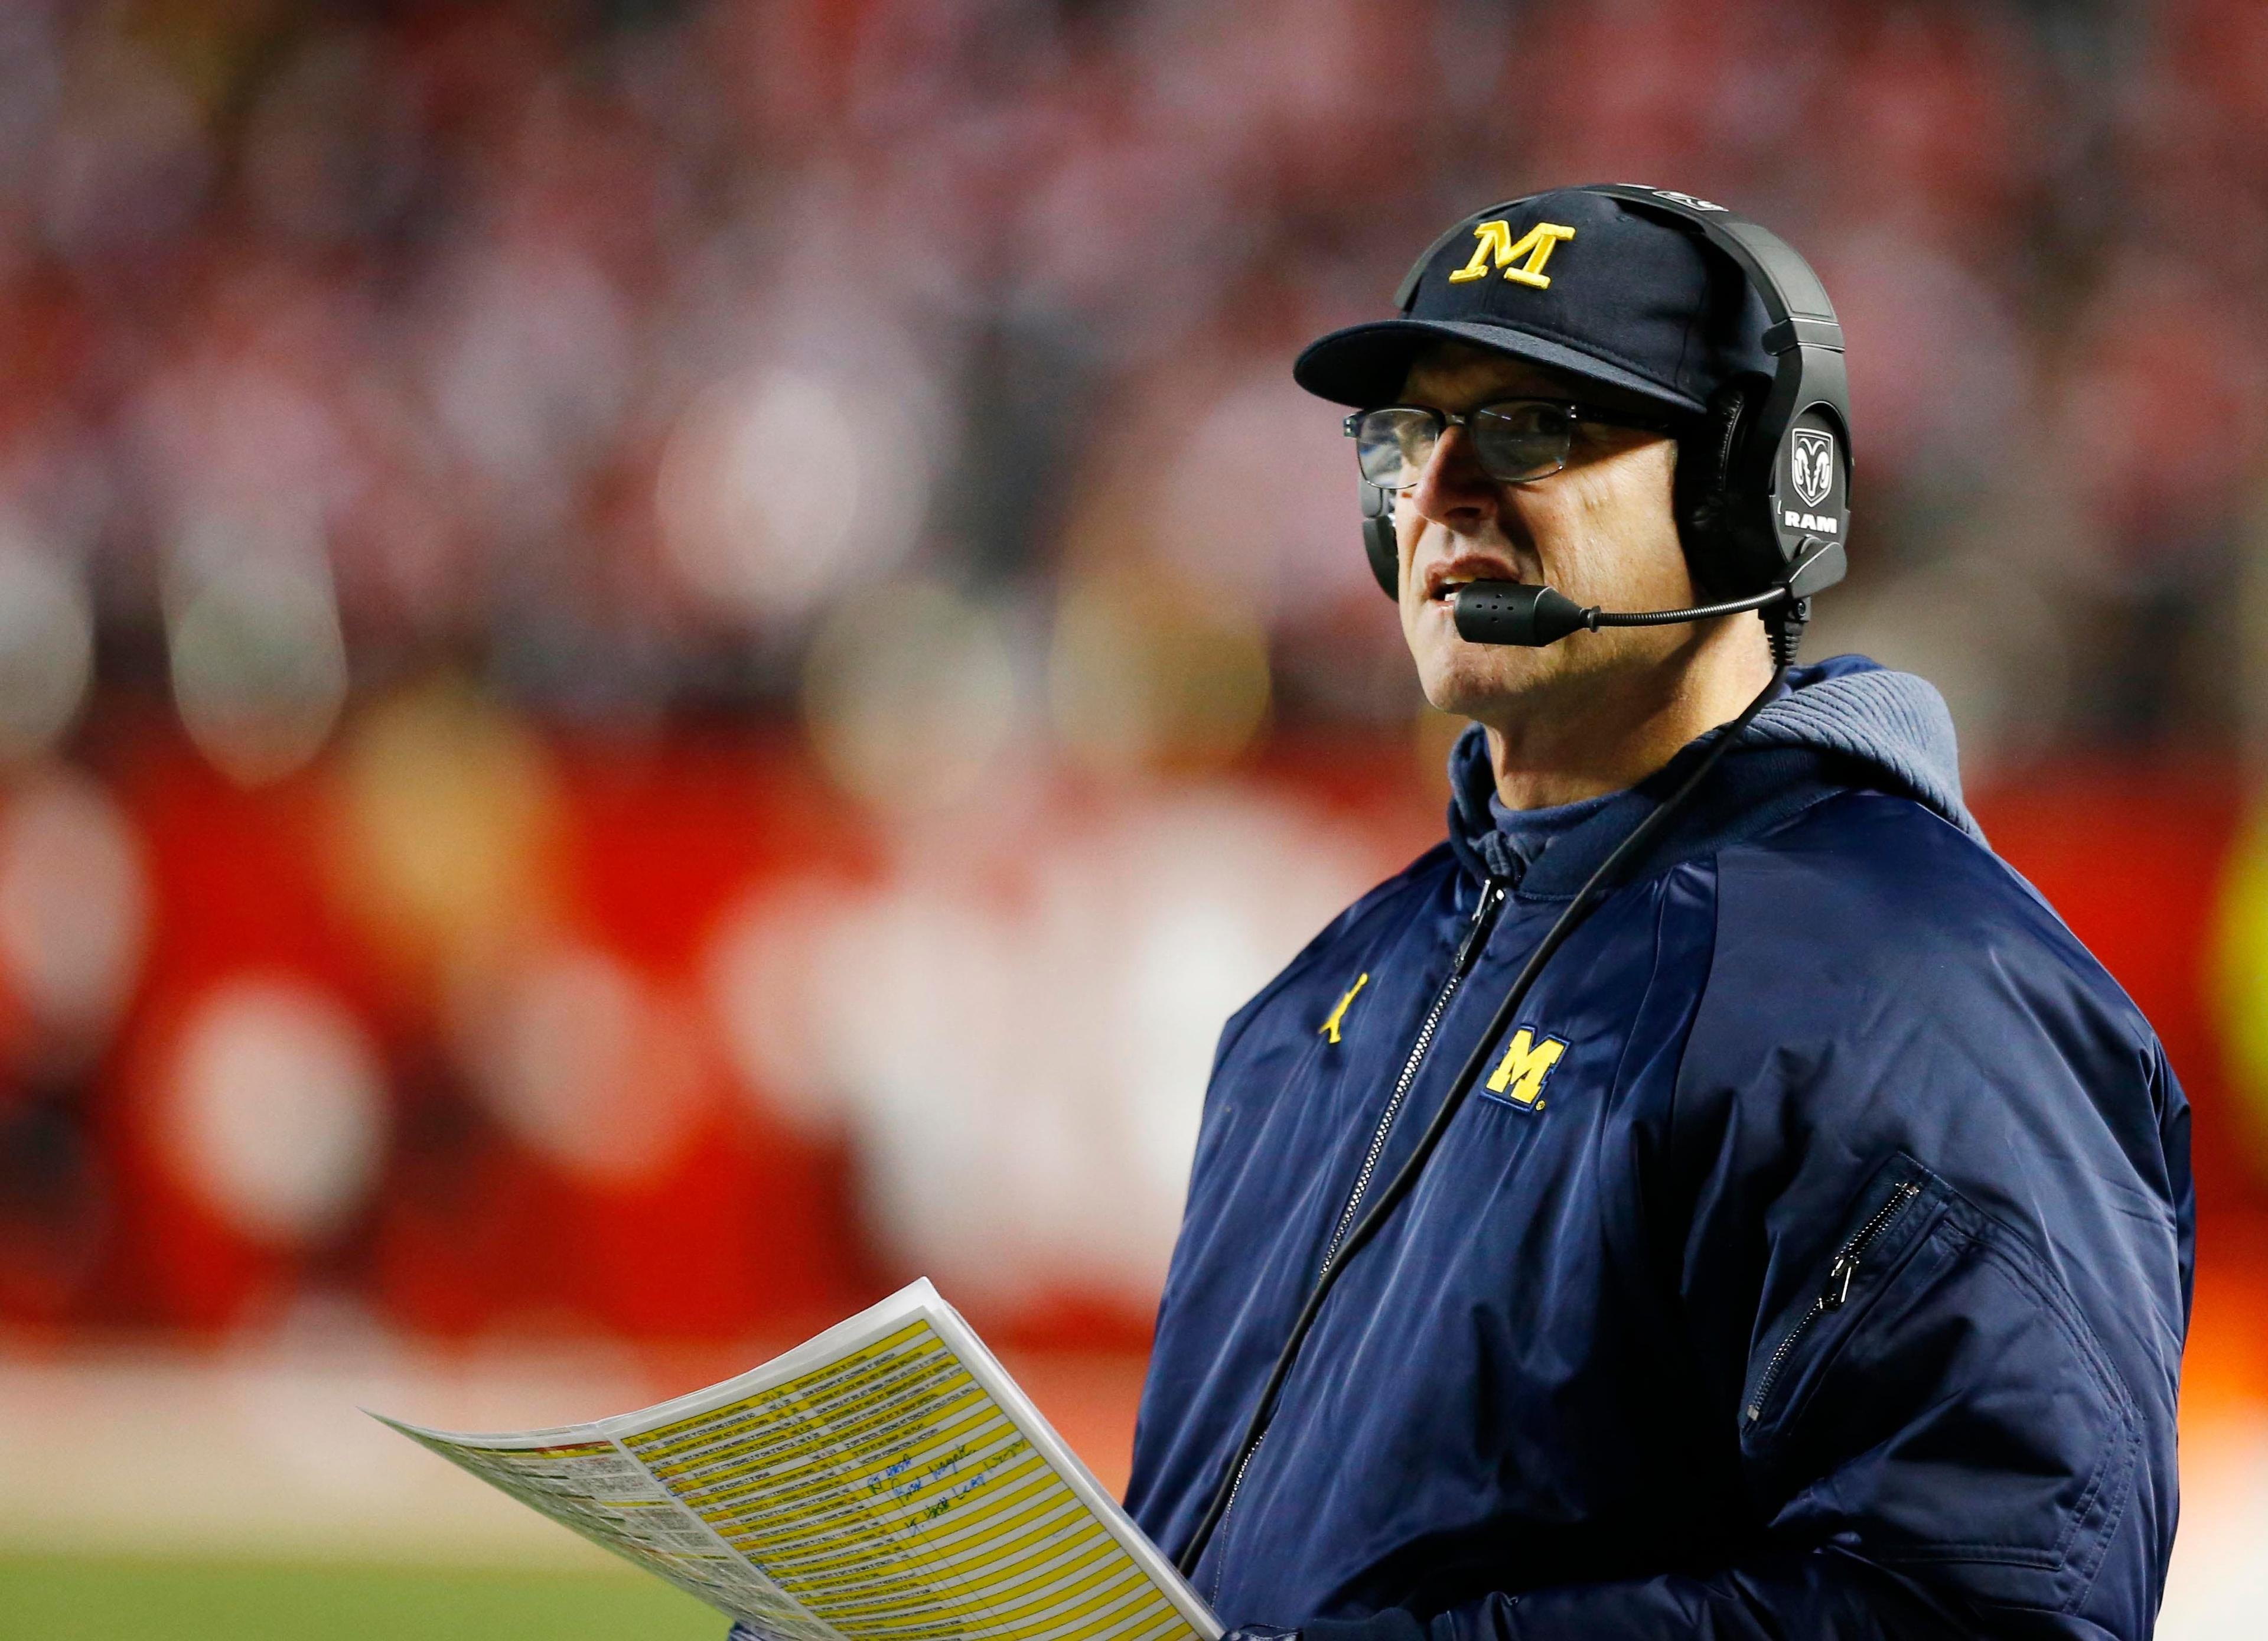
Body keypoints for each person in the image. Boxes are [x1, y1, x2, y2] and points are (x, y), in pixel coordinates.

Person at [1120, 187, 2194, 1640]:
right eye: (1407, 440)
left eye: (1530, 428)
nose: (1435, 496)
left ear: (1752, 492)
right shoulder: (1326, 1001)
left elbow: (1984, 1606)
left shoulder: (1916, 993)